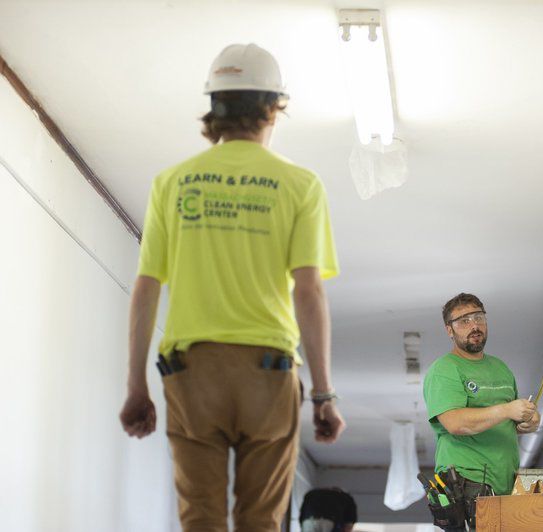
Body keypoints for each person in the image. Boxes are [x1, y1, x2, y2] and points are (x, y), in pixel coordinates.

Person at [119, 43, 345, 531]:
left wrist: (137, 385)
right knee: (260, 520)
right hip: (267, 371)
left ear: (214, 110)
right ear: (273, 108)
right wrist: (324, 394)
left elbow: (146, 288)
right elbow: (308, 291)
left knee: (199, 519)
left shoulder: (172, 183)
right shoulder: (299, 184)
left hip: (191, 371)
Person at [423, 293, 540, 529]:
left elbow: (503, 420)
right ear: (449, 330)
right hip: (467, 486)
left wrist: (527, 421)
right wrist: (507, 410)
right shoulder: (445, 369)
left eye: (478, 317)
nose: (474, 325)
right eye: (464, 320)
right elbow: (456, 423)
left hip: (505, 482)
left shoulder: (500, 368)